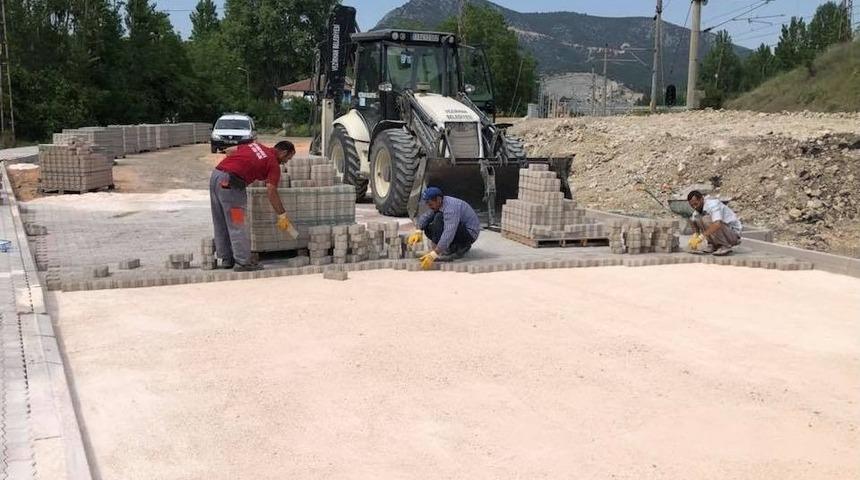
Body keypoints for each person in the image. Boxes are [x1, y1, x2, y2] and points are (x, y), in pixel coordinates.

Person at [210, 140, 296, 271]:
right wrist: (282, 215)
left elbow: (229, 150)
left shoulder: (256, 145)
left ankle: (227, 258)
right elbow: (271, 191)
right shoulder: (273, 164)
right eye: (287, 158)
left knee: (220, 220)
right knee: (237, 222)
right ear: (283, 152)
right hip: (231, 185)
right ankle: (243, 262)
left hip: (216, 177)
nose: (286, 162)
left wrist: (241, 164)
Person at [407, 187, 481, 270]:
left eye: (430, 204)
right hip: (458, 230)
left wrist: (434, 254)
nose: (429, 206)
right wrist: (418, 230)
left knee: (439, 218)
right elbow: (426, 216)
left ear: (438, 199)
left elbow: (449, 233)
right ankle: (447, 248)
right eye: (427, 204)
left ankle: (461, 247)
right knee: (427, 225)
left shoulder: (451, 208)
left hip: (469, 234)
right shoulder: (439, 204)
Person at [687, 190, 743, 256]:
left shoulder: (713, 204)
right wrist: (695, 235)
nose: (694, 207)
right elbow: (693, 220)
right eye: (692, 205)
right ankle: (712, 245)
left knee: (706, 219)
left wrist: (701, 237)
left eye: (696, 204)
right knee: (697, 219)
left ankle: (725, 245)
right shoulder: (698, 209)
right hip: (724, 231)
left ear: (702, 199)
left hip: (733, 235)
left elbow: (717, 224)